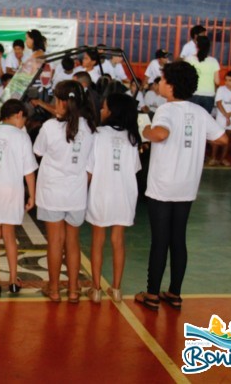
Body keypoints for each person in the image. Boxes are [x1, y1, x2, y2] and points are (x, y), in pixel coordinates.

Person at [135, 61, 227, 311]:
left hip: (163, 186)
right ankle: (174, 293)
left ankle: (152, 294)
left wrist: (145, 128)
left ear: (172, 85)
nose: (159, 84)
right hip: (187, 186)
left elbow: (160, 135)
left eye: (162, 80)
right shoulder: (199, 112)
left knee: (159, 240)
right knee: (178, 239)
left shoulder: (166, 110)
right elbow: (222, 137)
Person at [34, 80, 96, 303]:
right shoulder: (89, 128)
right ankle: (73, 290)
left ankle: (53, 289)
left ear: (60, 102)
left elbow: (38, 151)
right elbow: (90, 166)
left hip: (51, 192)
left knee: (54, 242)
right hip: (76, 194)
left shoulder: (50, 127)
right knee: (73, 242)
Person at [0, 99, 37, 295]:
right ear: (19, 114)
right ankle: (13, 280)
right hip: (11, 190)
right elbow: (29, 171)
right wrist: (32, 195)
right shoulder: (21, 137)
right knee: (10, 236)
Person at [86, 93, 141, 304]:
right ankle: (116, 289)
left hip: (101, 192)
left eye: (105, 107)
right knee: (118, 241)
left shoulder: (97, 134)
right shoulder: (132, 138)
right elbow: (135, 168)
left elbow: (90, 169)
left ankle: (96, 289)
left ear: (112, 112)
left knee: (97, 241)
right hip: (124, 194)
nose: (102, 110)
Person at [209, 71, 231, 166]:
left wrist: (230, 114)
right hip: (222, 117)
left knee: (228, 139)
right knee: (218, 137)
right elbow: (219, 104)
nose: (227, 82)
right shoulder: (221, 89)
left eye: (230, 80)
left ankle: (222, 158)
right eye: (226, 80)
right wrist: (226, 115)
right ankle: (213, 158)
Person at [186, 35, 219, 113]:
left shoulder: (189, 59)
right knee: (205, 121)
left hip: (193, 94)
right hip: (209, 94)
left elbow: (185, 78)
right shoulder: (213, 61)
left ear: (196, 45)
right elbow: (217, 81)